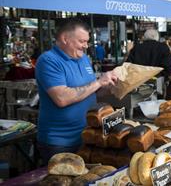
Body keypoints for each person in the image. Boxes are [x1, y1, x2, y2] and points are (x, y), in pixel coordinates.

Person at [35, 19, 118, 164]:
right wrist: (98, 82)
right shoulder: (48, 61)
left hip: (87, 136)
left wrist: (111, 87)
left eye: (87, 41)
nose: (86, 46)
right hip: (60, 142)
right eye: (82, 41)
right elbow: (62, 98)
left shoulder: (84, 59)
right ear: (65, 39)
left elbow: (90, 92)